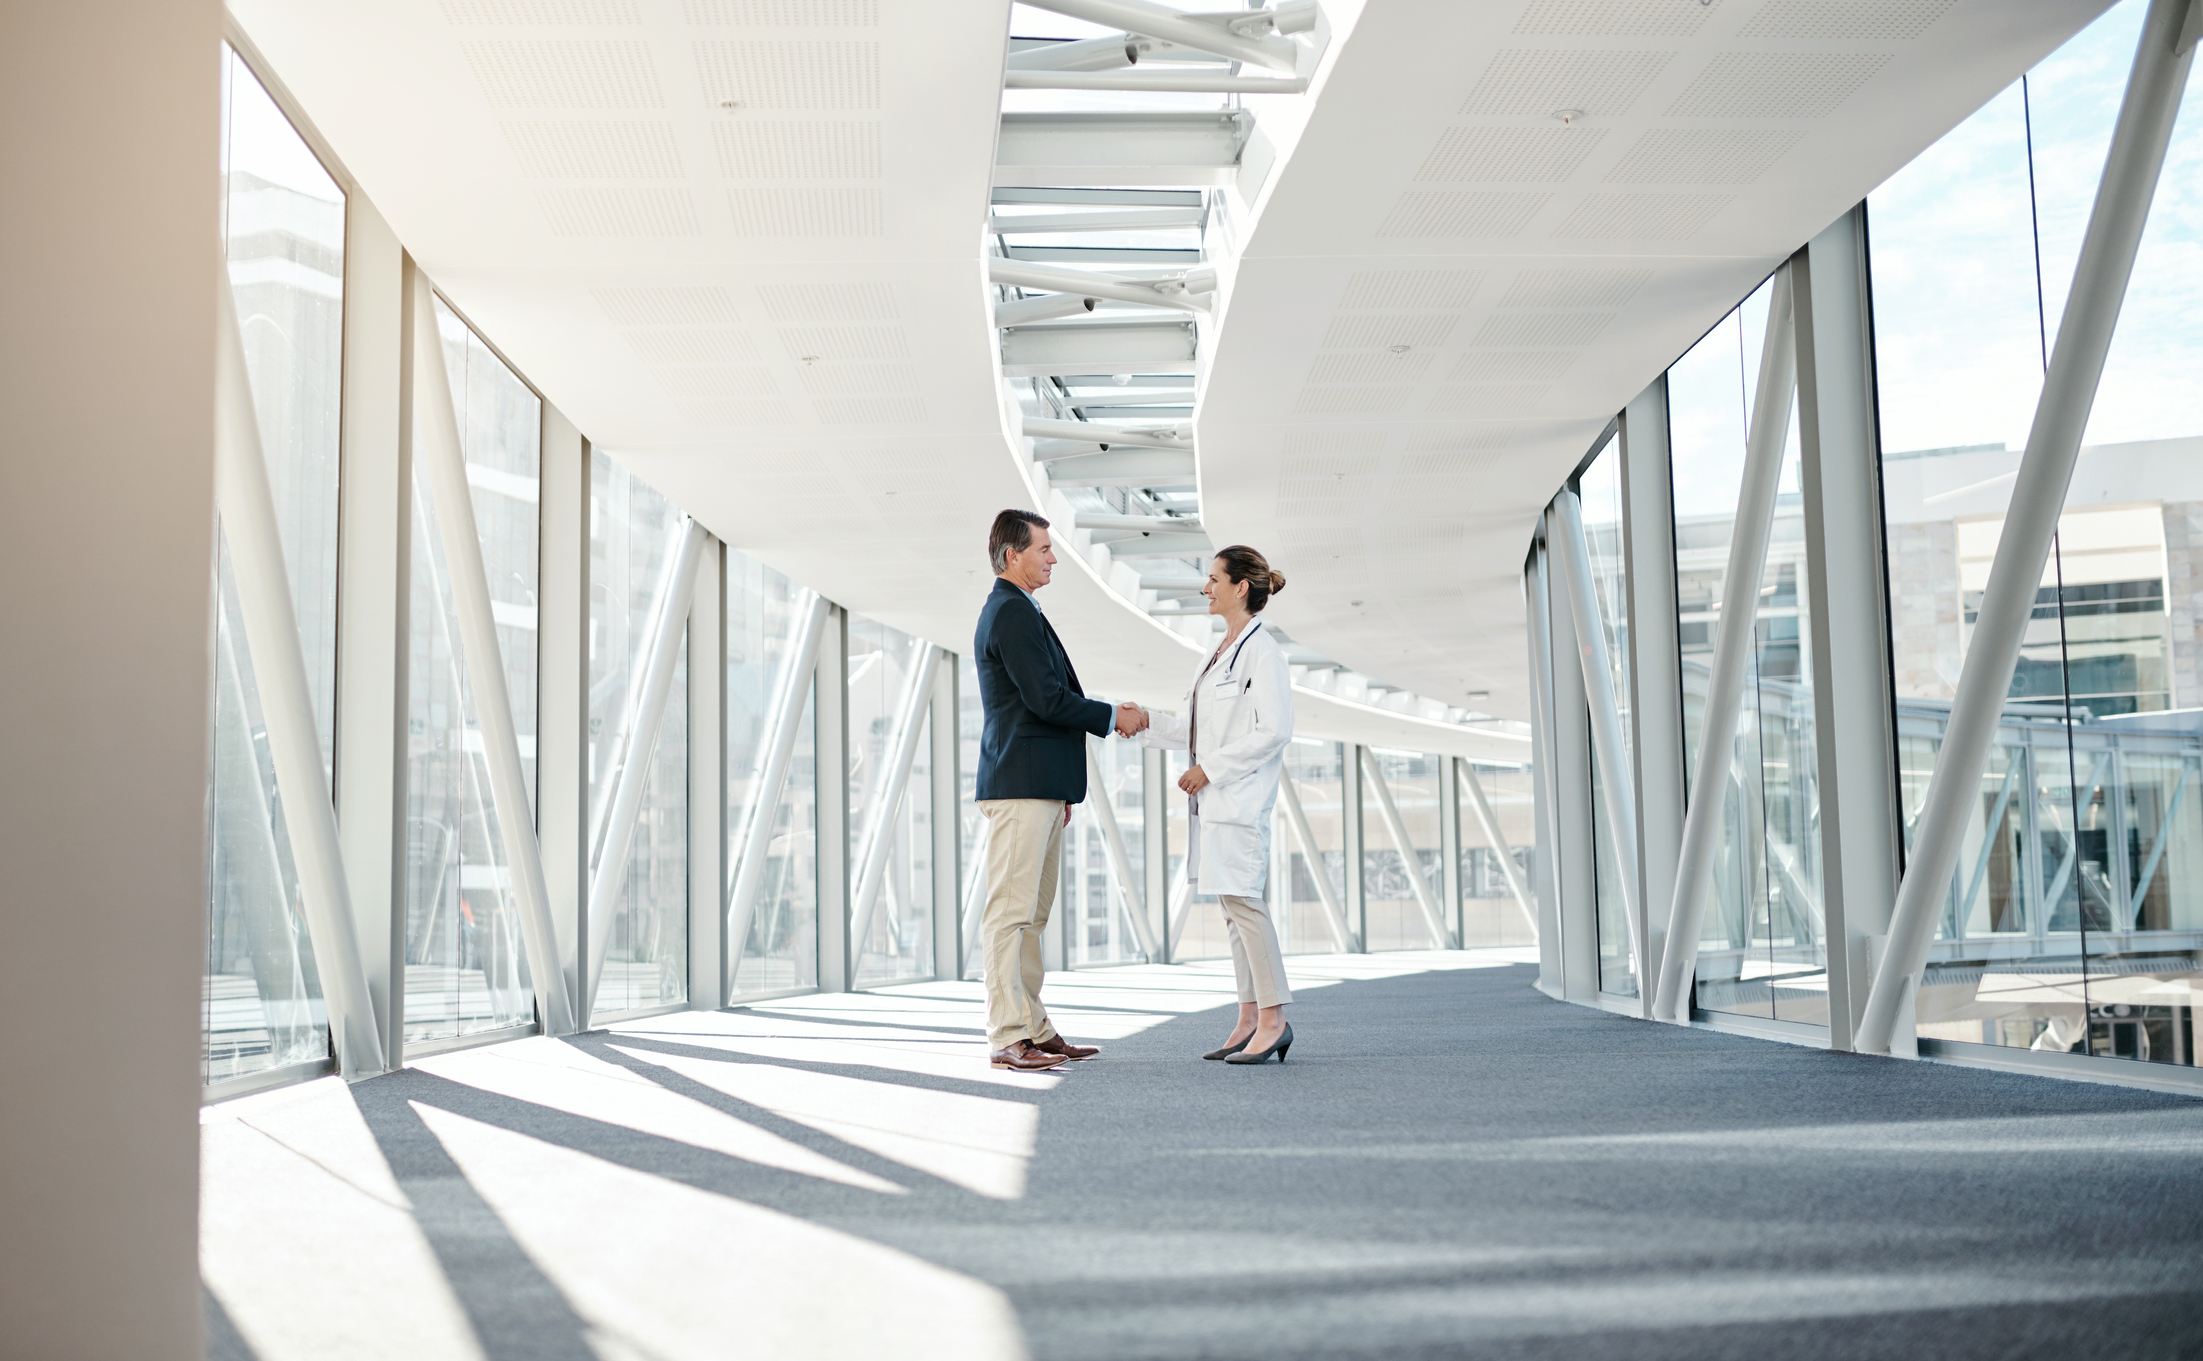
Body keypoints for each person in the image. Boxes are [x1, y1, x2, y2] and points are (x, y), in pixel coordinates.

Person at [972, 508, 1147, 1071]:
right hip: (1021, 784)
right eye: (1044, 549)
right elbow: (1046, 699)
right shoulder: (1009, 612)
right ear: (1012, 555)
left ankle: (1033, 1027)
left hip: (1040, 785)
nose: (1053, 559)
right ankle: (1008, 1035)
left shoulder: (1022, 609)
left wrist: (1061, 791)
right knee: (1010, 913)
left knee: (1032, 915)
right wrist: (1111, 715)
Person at [1125, 546, 1296, 1064]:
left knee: (1246, 906)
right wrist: (1148, 721)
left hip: (1239, 803)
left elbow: (1274, 731)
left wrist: (1211, 769)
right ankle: (1248, 1017)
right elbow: (1199, 729)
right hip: (1216, 807)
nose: (1206, 588)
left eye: (1214, 579)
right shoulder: (1219, 651)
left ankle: (1274, 1020)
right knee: (1232, 912)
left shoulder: (1263, 652)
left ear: (1240, 587)